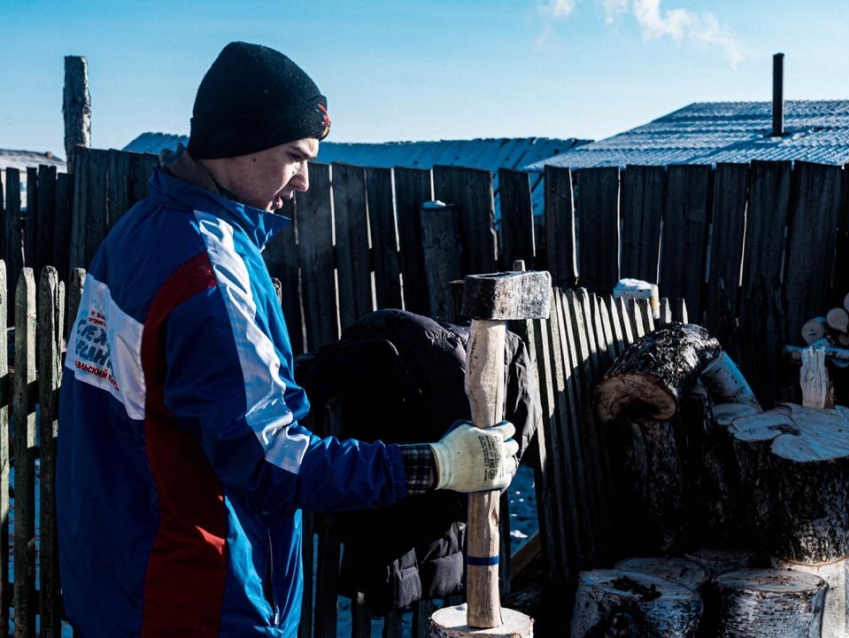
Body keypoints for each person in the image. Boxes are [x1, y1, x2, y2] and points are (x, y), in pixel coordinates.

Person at [56, 41, 519, 637]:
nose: (304, 179)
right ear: (238, 143)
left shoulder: (137, 235)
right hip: (199, 599)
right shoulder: (209, 269)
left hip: (121, 582)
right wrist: (436, 464)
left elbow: (165, 405)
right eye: (294, 156)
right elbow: (273, 460)